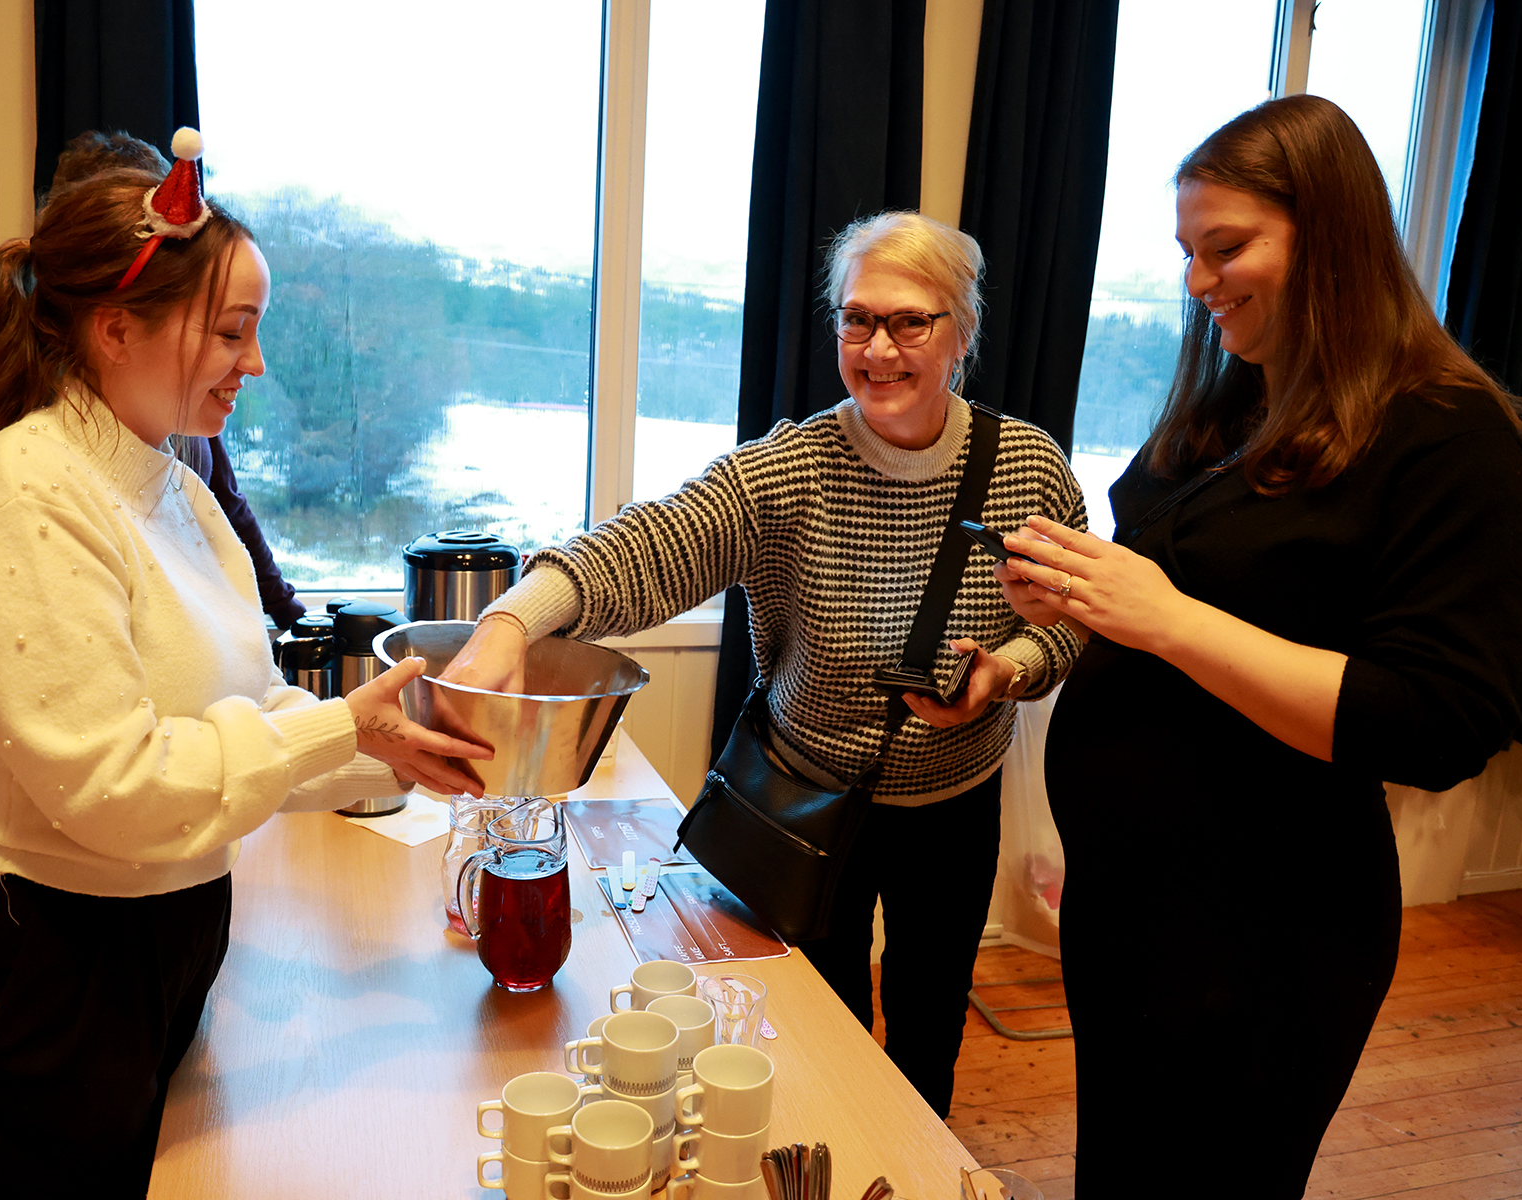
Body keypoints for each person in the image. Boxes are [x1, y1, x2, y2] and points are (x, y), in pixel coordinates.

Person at [0, 138, 490, 1198]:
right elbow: (116, 790)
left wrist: (387, 752)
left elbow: (242, 714)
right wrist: (341, 727)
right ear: (115, 329)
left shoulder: (176, 487)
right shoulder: (22, 496)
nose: (254, 366)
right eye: (234, 332)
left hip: (152, 949)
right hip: (32, 971)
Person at [995, 95, 1522, 1194]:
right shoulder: (1238, 406)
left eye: (1227, 248)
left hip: (1265, 936)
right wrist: (1084, 602)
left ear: (1332, 236)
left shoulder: (1449, 439)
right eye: (1189, 252)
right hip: (1131, 911)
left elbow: (1440, 719)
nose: (1198, 283)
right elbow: (1202, 598)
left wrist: (1167, 618)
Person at [443, 211, 1089, 1115]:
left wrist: (1009, 669)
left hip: (953, 806)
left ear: (962, 332)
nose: (880, 348)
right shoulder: (791, 469)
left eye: (911, 321)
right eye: (857, 320)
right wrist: (513, 620)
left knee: (930, 1024)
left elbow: (1070, 623)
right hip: (804, 802)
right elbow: (648, 544)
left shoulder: (1029, 468)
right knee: (813, 1027)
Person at [0, 131, 308, 635]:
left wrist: (289, 617)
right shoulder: (15, 471)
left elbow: (225, 508)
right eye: (229, 332)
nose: (253, 364)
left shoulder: (179, 453)